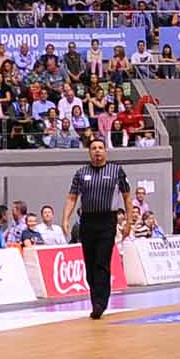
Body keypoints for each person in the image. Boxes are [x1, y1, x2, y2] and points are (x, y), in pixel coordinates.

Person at [62, 137, 133, 320]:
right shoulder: (81, 173)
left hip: (107, 221)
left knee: (102, 262)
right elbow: (72, 198)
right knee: (90, 264)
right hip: (87, 221)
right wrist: (65, 219)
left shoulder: (116, 171)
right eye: (94, 148)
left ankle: (100, 303)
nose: (97, 151)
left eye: (101, 148)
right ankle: (95, 299)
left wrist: (129, 222)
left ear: (106, 151)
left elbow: (126, 197)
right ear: (89, 152)